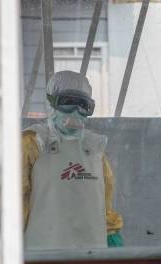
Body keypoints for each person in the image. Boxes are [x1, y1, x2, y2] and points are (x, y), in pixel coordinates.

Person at [22, 70, 123, 249]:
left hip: (93, 255)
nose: (76, 111)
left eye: (83, 105)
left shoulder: (95, 147)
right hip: (42, 255)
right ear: (51, 102)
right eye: (68, 103)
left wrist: (112, 235)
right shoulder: (33, 142)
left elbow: (104, 202)